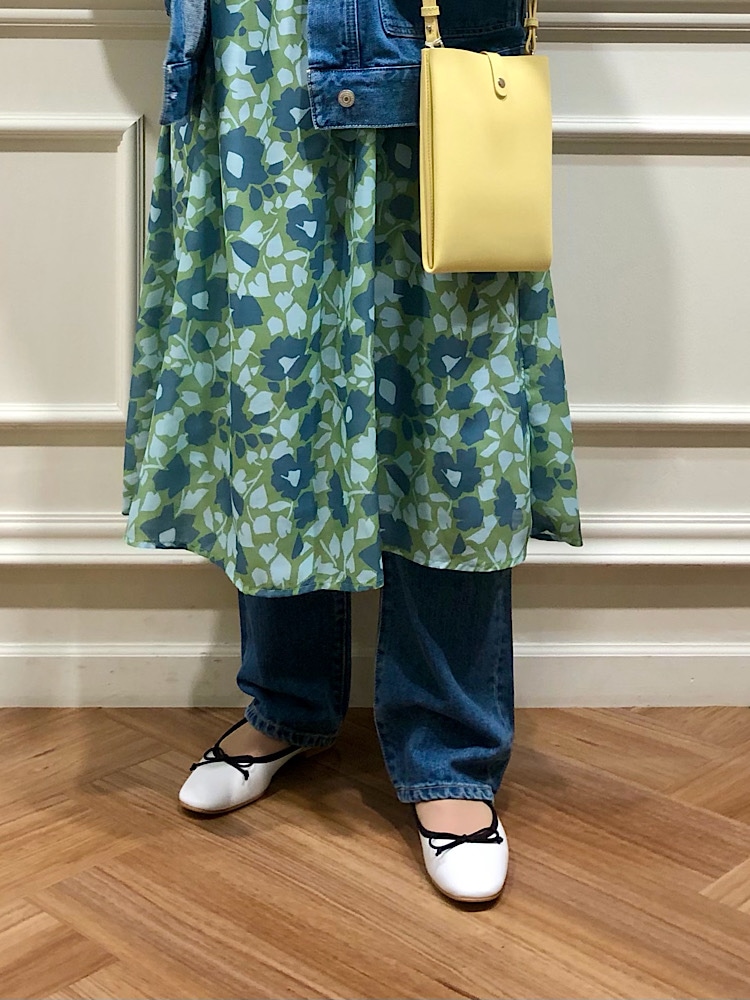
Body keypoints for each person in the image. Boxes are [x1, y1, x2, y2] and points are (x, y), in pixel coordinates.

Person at [122, 0, 582, 904]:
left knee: (449, 409)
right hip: (253, 59)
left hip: (433, 50)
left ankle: (451, 756)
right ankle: (288, 703)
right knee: (275, 389)